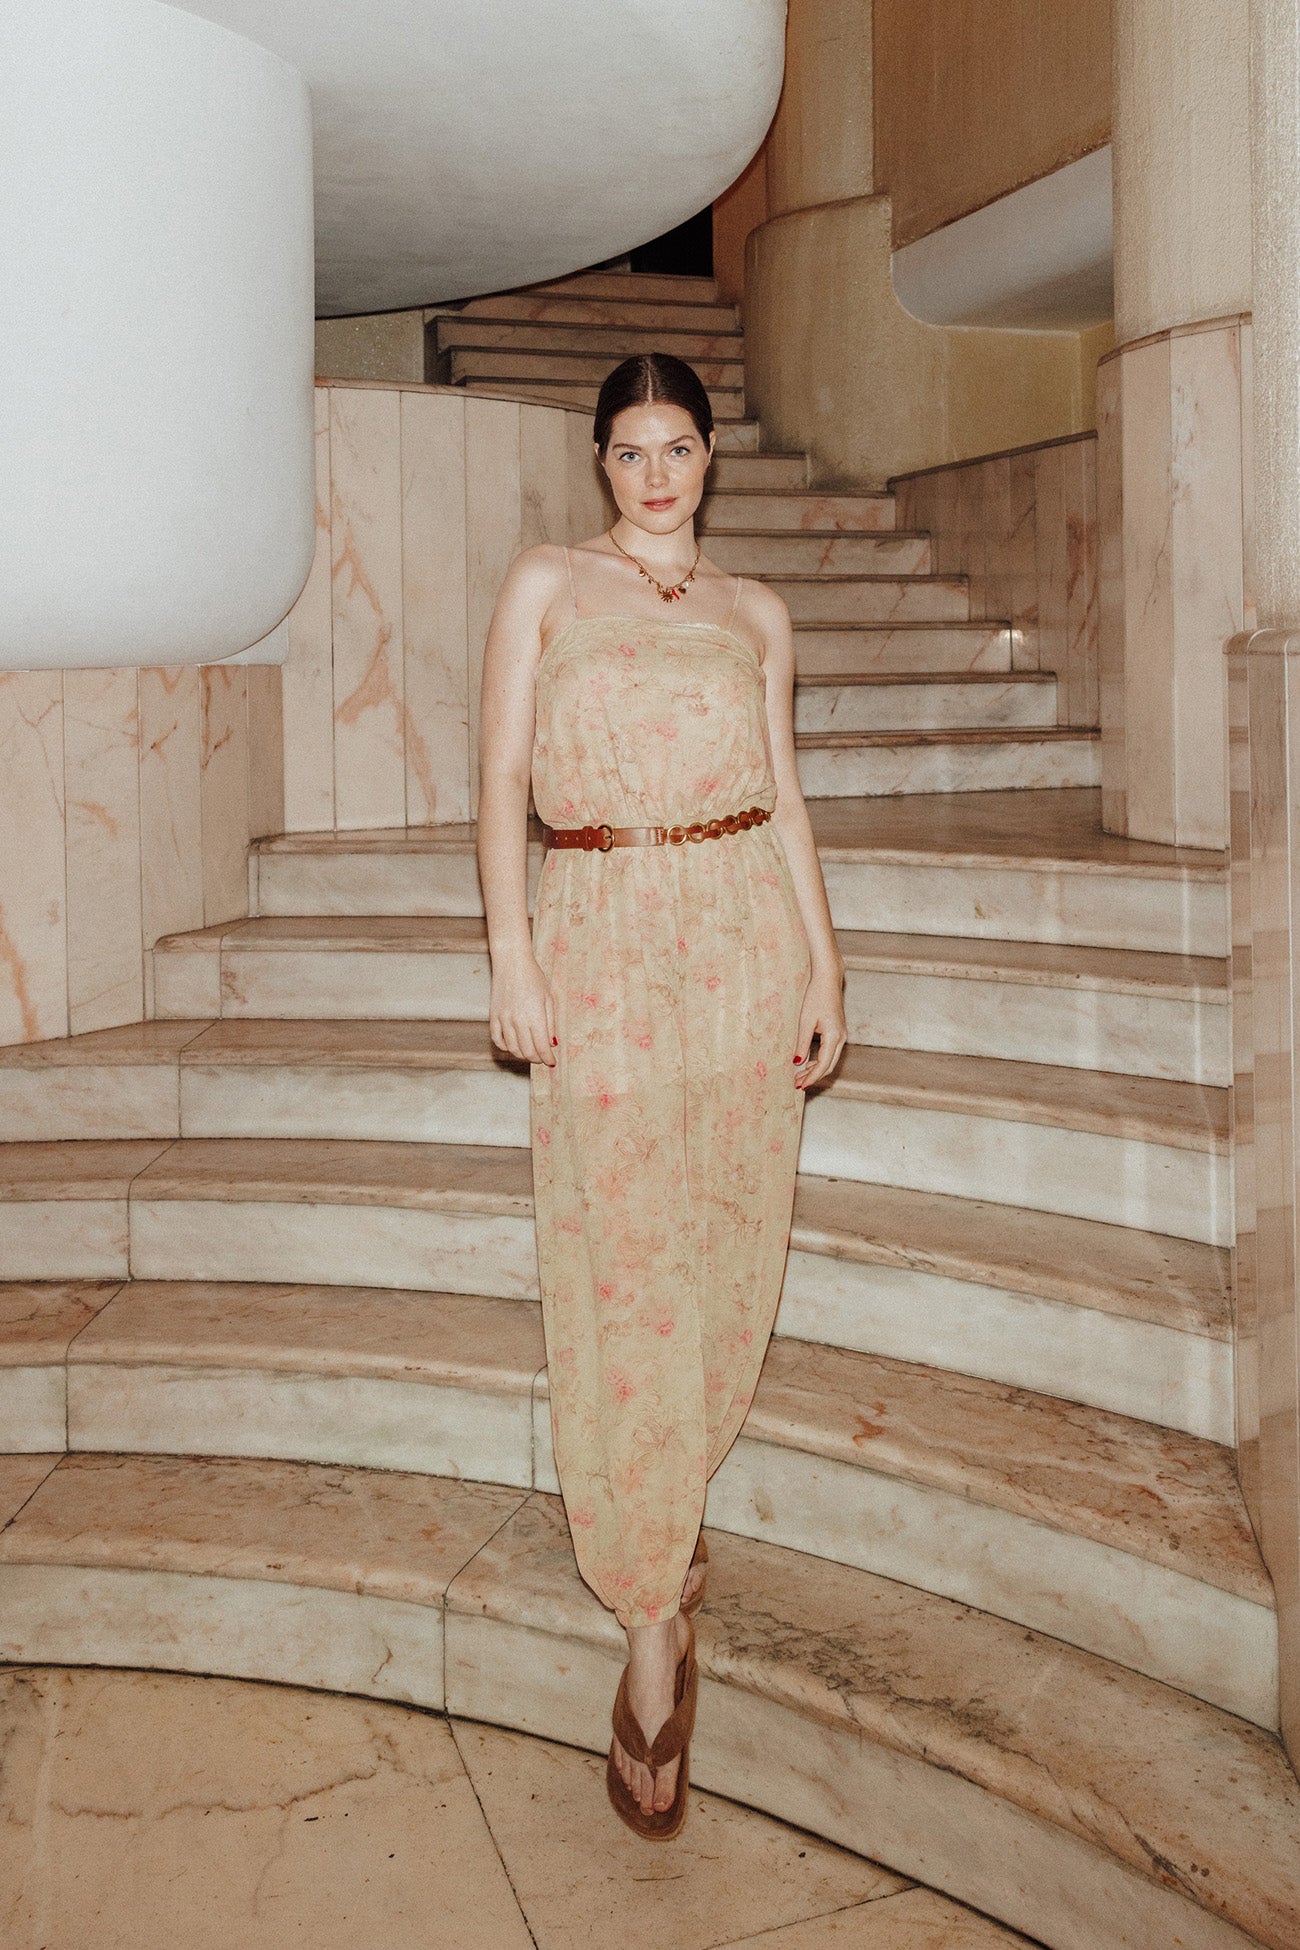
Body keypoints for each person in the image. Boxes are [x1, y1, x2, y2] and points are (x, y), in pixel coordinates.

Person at [476, 352, 846, 1839]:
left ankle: (667, 1514)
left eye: (677, 446)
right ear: (600, 461)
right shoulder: (546, 583)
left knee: (726, 1246)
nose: (655, 474)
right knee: (624, 1260)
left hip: (744, 936)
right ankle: (648, 1622)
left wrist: (825, 967)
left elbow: (788, 793)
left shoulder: (758, 612)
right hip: (601, 933)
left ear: (709, 456)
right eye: (629, 450)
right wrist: (512, 953)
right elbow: (499, 780)